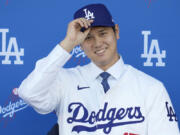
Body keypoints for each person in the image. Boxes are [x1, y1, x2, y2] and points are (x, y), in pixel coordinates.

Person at [18, 3, 179, 135]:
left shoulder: (151, 88)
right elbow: (29, 93)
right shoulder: (65, 80)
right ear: (79, 44)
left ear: (116, 31)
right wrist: (68, 42)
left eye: (103, 33)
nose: (97, 43)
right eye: (88, 37)